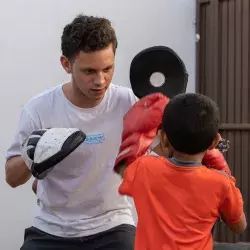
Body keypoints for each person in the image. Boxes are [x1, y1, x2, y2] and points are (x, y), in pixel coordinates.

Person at [5, 14, 138, 250]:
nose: (100, 80)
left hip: (113, 225)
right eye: (89, 71)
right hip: (53, 228)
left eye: (108, 68)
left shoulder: (127, 102)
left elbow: (171, 149)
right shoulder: (40, 109)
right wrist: (32, 155)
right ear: (66, 64)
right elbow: (12, 178)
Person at [114, 93, 247, 250]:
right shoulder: (222, 183)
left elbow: (123, 171)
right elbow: (239, 227)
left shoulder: (143, 167)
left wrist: (136, 134)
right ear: (215, 142)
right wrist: (226, 176)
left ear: (163, 138)